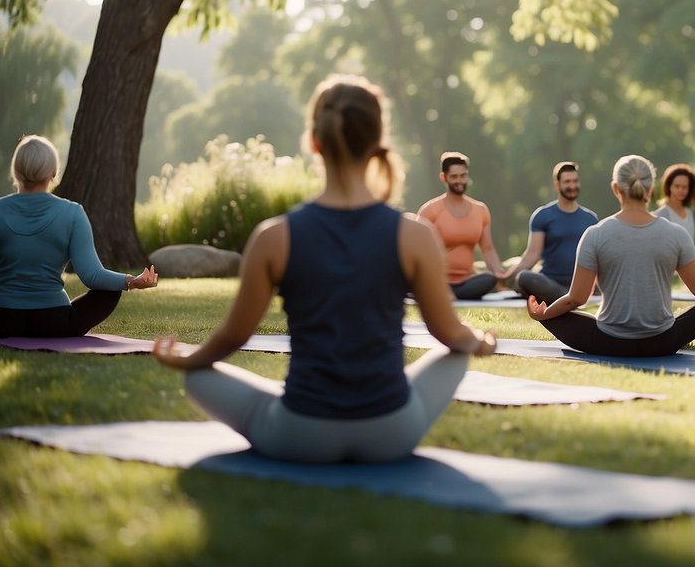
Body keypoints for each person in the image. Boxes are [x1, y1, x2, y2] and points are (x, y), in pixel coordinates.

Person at [153, 76, 496, 464]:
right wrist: (479, 341)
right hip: (391, 432)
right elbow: (448, 333)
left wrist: (188, 360)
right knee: (457, 354)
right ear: (377, 142)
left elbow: (233, 335)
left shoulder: (274, 237)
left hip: (299, 433)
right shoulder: (416, 235)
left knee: (198, 377)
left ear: (314, 142)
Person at [525, 154, 695, 357]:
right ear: (650, 190)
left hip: (608, 342)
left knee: (556, 315)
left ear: (616, 188)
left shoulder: (594, 234)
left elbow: (576, 299)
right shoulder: (678, 234)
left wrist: (543, 315)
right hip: (662, 342)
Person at [0, 135, 158, 338]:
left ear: (15, 172)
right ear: (53, 173)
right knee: (110, 290)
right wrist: (131, 281)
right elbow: (93, 275)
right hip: (55, 323)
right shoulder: (72, 213)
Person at [505, 161, 599, 304]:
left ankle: (571, 297)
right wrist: (508, 276)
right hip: (550, 283)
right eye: (567, 182)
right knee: (524, 277)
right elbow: (532, 254)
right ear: (557, 185)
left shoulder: (591, 218)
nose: (572, 186)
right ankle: (568, 298)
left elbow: (596, 257)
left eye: (575, 181)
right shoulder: (543, 216)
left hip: (581, 284)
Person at [417, 152, 505, 300]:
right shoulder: (429, 210)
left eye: (463, 175)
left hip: (466, 282)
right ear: (443, 177)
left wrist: (499, 274)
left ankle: (447, 296)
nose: (460, 181)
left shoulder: (480, 210)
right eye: (454, 177)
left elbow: (488, 249)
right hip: (436, 280)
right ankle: (439, 292)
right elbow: (418, 251)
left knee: (489, 279)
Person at [653, 163, 695, 241]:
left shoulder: (689, 212)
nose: (680, 190)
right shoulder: (660, 215)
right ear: (669, 186)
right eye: (677, 186)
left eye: (684, 187)